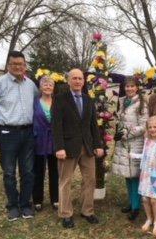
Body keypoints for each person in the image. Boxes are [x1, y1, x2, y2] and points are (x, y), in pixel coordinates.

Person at [0, 51, 38, 221]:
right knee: (9, 172)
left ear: (25, 66)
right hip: (7, 133)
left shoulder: (30, 85)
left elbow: (37, 102)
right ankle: (13, 206)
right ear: (8, 66)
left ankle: (26, 204)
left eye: (21, 64)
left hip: (27, 133)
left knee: (28, 171)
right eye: (14, 64)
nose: (18, 67)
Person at [51, 68, 104, 229]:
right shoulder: (60, 99)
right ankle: (66, 214)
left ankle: (87, 211)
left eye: (80, 78)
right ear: (68, 81)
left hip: (87, 147)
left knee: (90, 180)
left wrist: (98, 145)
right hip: (67, 147)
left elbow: (93, 125)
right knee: (65, 181)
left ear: (83, 81)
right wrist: (59, 147)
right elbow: (56, 125)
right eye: (74, 78)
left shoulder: (88, 100)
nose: (77, 81)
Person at [112, 77, 149, 221]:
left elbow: (144, 125)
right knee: (128, 175)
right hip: (123, 142)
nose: (129, 89)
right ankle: (131, 202)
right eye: (127, 86)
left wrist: (127, 134)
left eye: (132, 86)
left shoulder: (142, 104)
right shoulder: (122, 101)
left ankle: (136, 207)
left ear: (137, 88)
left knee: (135, 176)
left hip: (135, 143)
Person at [32, 76, 58, 211]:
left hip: (54, 141)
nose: (48, 87)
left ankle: (55, 199)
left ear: (53, 88)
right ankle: (37, 199)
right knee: (38, 171)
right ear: (40, 87)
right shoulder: (34, 103)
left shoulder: (57, 103)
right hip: (39, 140)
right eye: (45, 85)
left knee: (55, 171)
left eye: (50, 85)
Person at [138, 116, 156, 236]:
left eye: (155, 127)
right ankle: (149, 218)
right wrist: (134, 156)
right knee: (145, 198)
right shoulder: (147, 140)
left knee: (154, 199)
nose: (152, 129)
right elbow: (144, 155)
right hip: (145, 173)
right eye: (150, 127)